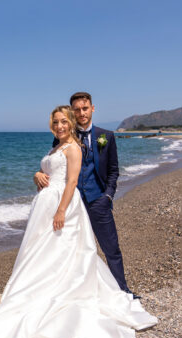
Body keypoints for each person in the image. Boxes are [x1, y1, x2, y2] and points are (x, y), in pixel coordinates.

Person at [0, 105, 157, 338]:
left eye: (63, 122)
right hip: (43, 206)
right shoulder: (54, 148)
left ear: (71, 123)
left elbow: (70, 182)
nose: (59, 126)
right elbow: (48, 172)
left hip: (63, 205)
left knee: (64, 253)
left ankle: (64, 297)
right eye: (55, 122)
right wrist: (37, 174)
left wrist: (61, 211)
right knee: (39, 253)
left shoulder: (73, 148)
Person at [33, 92, 133, 297]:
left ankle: (123, 290)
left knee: (111, 248)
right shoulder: (63, 136)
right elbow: (55, 165)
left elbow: (113, 170)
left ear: (92, 109)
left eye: (85, 108)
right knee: (75, 249)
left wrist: (107, 196)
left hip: (98, 200)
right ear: (72, 112)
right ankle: (80, 293)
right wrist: (38, 174)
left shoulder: (106, 136)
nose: (81, 113)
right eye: (77, 110)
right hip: (73, 203)